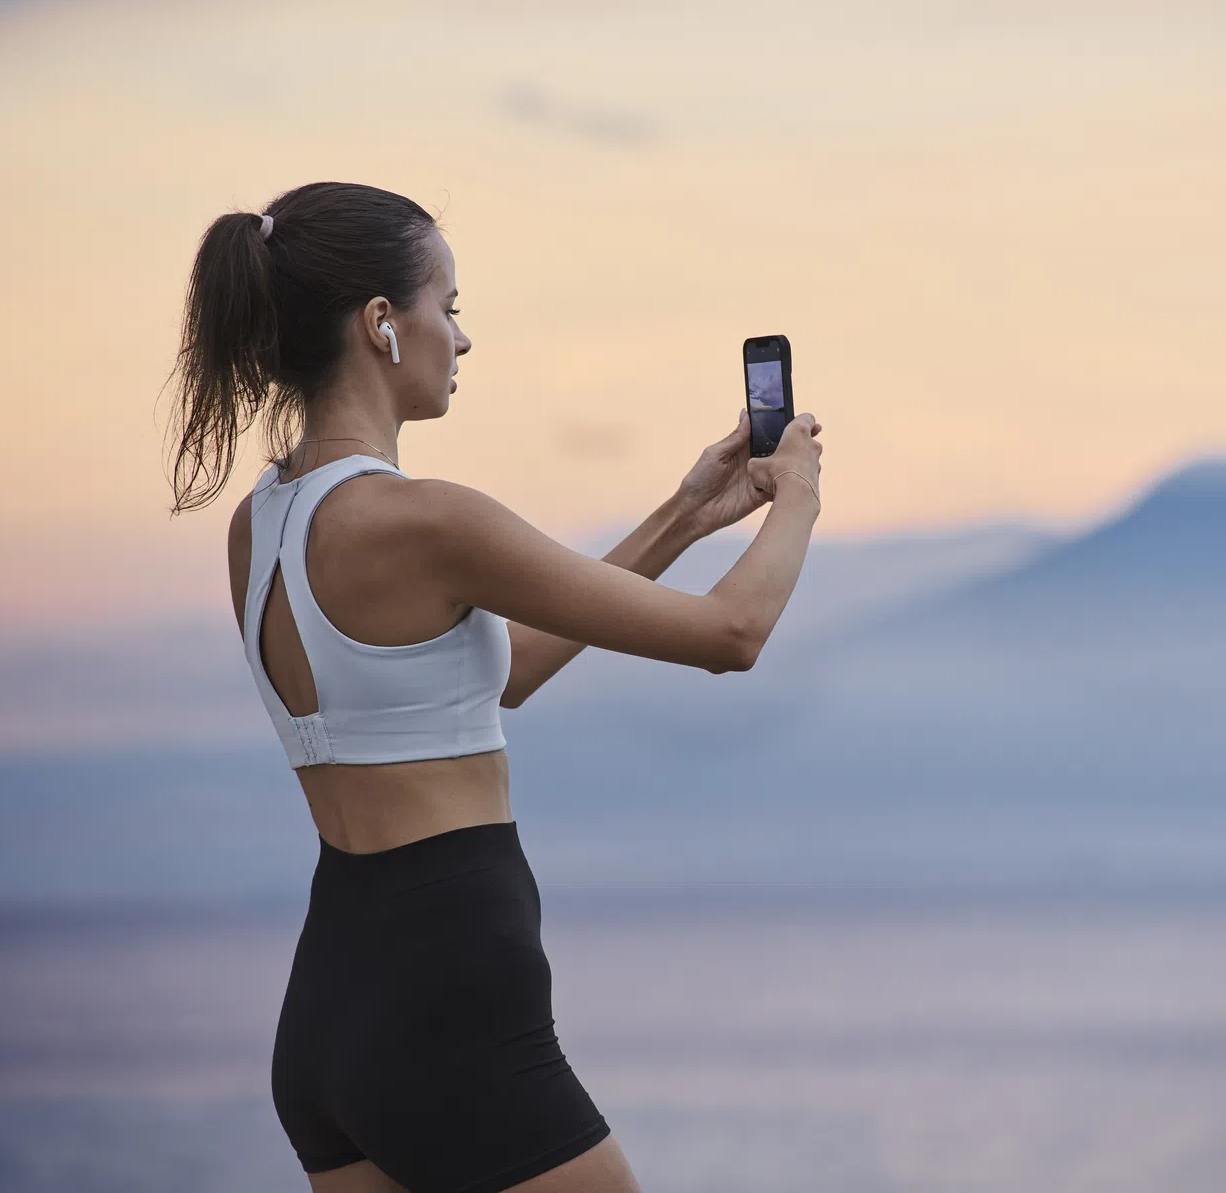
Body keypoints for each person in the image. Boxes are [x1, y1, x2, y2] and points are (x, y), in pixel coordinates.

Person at [162, 181, 824, 1193]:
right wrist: (799, 500)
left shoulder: (263, 525)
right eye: (451, 307)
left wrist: (688, 515)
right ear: (383, 324)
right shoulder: (427, 521)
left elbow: (496, 676)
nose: (461, 341)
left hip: (334, 1012)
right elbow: (731, 634)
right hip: (451, 1002)